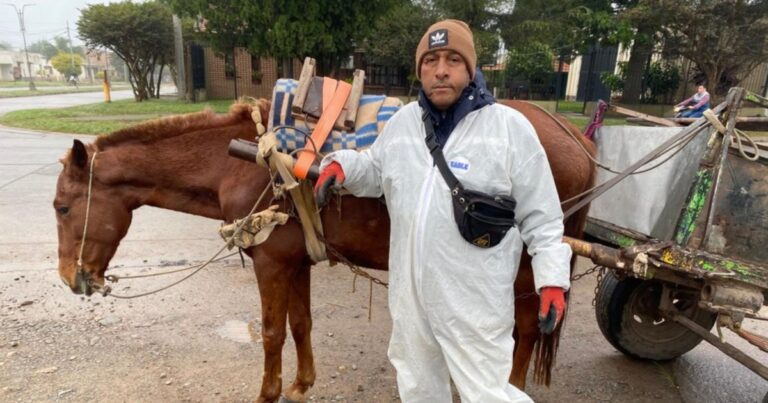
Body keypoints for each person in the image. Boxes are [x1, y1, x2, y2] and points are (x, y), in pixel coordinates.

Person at [314, 19, 570, 402]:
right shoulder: (403, 125)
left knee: (487, 393)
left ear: (470, 68)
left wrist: (551, 280)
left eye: (453, 59)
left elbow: (543, 218)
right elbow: (378, 170)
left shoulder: (508, 130)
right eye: (430, 60)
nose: (441, 70)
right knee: (417, 386)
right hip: (411, 297)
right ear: (420, 70)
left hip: (474, 302)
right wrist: (343, 166)